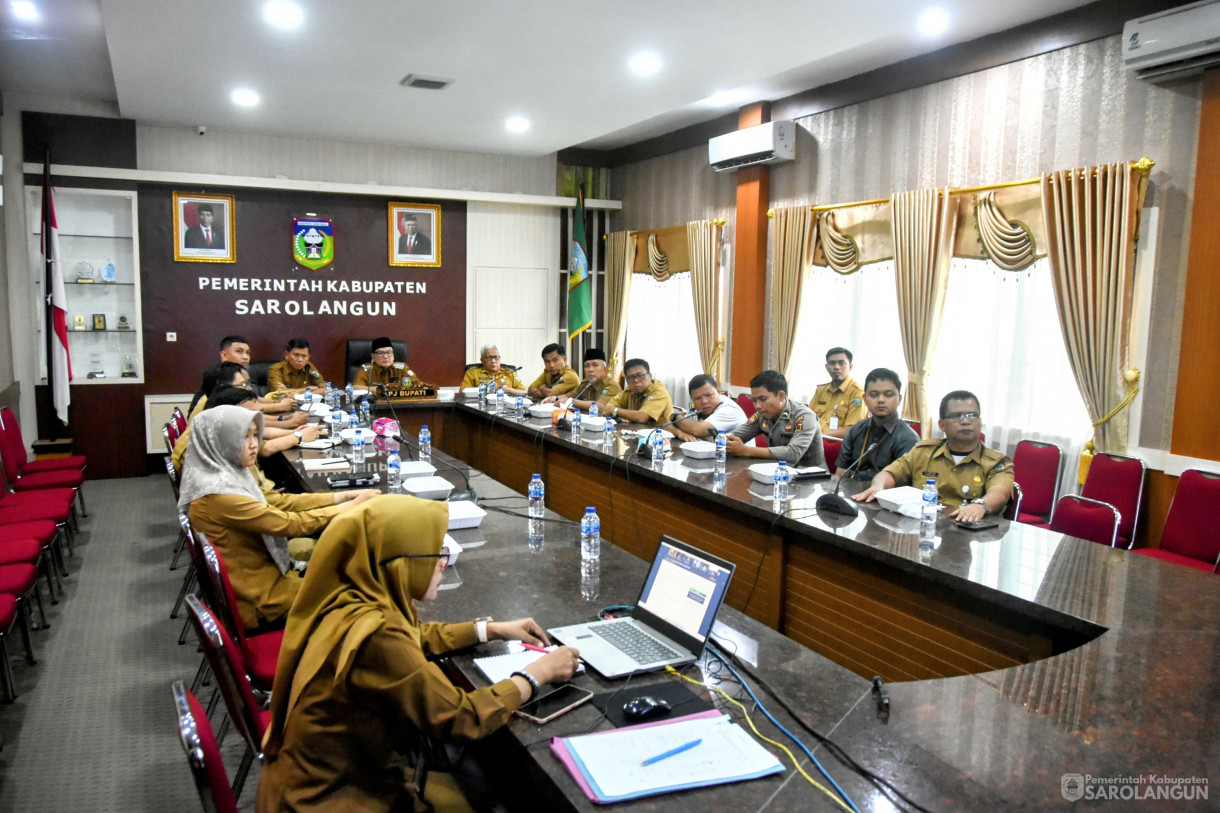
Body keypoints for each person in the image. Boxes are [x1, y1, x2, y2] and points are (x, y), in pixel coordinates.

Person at [256, 495, 580, 813]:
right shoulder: (378, 636)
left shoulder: (352, 596)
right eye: (435, 552)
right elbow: (461, 717)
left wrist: (489, 629)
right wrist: (538, 673)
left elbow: (413, 637)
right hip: (331, 799)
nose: (443, 562)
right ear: (398, 562)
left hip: (307, 784)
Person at [179, 406, 378, 630]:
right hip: (263, 601)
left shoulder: (228, 474)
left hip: (265, 578)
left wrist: (340, 496)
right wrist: (348, 507)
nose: (254, 443)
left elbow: (278, 502)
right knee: (364, 591)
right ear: (219, 441)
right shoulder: (219, 495)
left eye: (256, 435)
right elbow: (288, 524)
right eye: (244, 437)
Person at [851, 390, 1014, 522]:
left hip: (967, 529)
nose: (966, 422)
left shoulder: (996, 462)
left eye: (972, 415)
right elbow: (889, 473)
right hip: (923, 528)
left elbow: (1000, 492)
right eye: (957, 416)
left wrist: (981, 506)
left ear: (979, 421)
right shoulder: (923, 452)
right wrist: (878, 487)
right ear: (941, 424)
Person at [835, 368, 920, 481]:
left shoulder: (909, 439)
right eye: (874, 395)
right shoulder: (856, 429)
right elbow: (841, 473)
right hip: (850, 493)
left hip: (884, 496)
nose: (881, 400)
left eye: (888, 395)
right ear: (865, 399)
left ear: (899, 399)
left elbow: (903, 485)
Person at [727, 370, 825, 467]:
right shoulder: (762, 414)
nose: (757, 406)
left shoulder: (805, 416)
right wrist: (724, 439)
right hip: (777, 470)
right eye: (754, 400)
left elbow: (793, 453)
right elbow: (737, 435)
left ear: (781, 396)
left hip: (810, 476)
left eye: (762, 399)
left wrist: (746, 451)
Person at [810, 347, 866, 439]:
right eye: (832, 363)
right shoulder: (821, 390)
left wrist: (819, 436)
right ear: (827, 367)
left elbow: (852, 430)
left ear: (850, 367)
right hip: (814, 441)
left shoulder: (857, 393)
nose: (836, 367)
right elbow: (807, 418)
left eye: (841, 363)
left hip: (838, 445)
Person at [672, 374, 747, 442]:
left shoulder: (729, 410)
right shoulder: (698, 410)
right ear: (692, 400)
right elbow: (668, 424)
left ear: (718, 391)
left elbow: (697, 430)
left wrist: (675, 417)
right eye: (698, 398)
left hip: (739, 456)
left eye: (709, 395)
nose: (704, 401)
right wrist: (680, 433)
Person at [546, 348, 621, 410]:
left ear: (605, 369)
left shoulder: (611, 386)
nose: (590, 369)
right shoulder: (586, 383)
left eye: (595, 365)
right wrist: (554, 398)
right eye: (587, 366)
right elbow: (569, 395)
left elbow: (600, 406)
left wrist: (571, 402)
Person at [606, 358, 673, 425]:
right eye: (631, 377)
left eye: (640, 375)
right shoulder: (629, 391)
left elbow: (642, 417)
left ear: (650, 376)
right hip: (636, 432)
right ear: (627, 380)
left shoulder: (659, 391)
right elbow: (608, 408)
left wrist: (616, 411)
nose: (636, 380)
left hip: (660, 433)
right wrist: (618, 416)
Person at [353, 337, 427, 391]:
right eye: (380, 353)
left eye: (389, 352)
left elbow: (418, 383)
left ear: (393, 355)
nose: (385, 356)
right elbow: (355, 387)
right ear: (373, 356)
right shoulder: (366, 369)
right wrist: (374, 389)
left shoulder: (402, 368)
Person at [460, 344, 525, 393]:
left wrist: (509, 390)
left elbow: (524, 392)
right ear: (481, 360)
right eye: (488, 358)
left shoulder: (510, 373)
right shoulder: (473, 373)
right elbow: (463, 392)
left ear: (500, 358)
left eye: (496, 357)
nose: (493, 361)